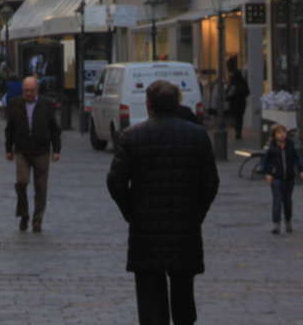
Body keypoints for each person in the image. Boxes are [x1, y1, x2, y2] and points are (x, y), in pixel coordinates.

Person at [106, 80, 219, 325]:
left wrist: (131, 211)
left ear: (149, 105)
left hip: (146, 230)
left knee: (150, 299)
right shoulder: (198, 136)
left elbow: (116, 182)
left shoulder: (132, 137)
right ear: (178, 103)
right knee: (183, 295)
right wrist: (196, 213)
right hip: (184, 228)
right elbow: (210, 183)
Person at [3, 75, 61, 232]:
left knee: (41, 187)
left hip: (41, 150)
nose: (28, 93)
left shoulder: (47, 104)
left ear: (37, 90)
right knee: (21, 182)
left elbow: (54, 129)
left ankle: (37, 219)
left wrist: (56, 150)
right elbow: (10, 129)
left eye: (31, 90)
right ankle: (24, 214)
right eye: (26, 90)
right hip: (22, 150)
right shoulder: (15, 104)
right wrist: (8, 149)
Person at [261, 123, 302, 234]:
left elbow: (296, 158)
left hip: (289, 178)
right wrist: (268, 174)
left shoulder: (290, 146)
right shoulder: (271, 148)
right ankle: (276, 224)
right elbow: (265, 162)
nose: (282, 135)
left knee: (287, 201)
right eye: (279, 133)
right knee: (277, 201)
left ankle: (288, 221)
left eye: (283, 132)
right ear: (274, 135)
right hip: (276, 178)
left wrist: (301, 170)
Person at [224, 58, 249, 141]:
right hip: (241, 103)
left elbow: (228, 92)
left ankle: (237, 131)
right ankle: (238, 132)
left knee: (235, 117)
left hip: (234, 103)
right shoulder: (243, 83)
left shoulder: (233, 83)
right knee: (239, 117)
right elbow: (247, 92)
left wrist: (228, 96)